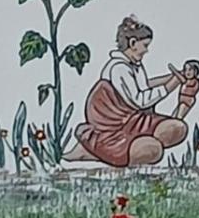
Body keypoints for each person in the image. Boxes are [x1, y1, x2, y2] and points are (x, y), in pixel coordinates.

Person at [65, 16, 189, 167]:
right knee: (153, 151)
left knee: (178, 128)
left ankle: (140, 142)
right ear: (133, 43)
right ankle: (93, 150)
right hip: (113, 129)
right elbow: (140, 100)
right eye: (145, 45)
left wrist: (170, 78)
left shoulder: (134, 64)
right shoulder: (119, 68)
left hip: (134, 120)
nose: (147, 50)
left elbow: (144, 86)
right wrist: (170, 85)